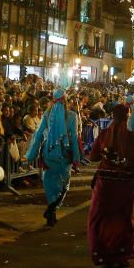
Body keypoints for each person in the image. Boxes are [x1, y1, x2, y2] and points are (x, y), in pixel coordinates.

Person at [87, 104, 134, 268]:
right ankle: (120, 254)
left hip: (104, 183)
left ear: (112, 116)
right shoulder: (133, 137)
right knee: (122, 218)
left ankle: (103, 253)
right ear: (127, 116)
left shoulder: (104, 134)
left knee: (101, 218)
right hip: (125, 184)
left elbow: (93, 157)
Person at [26, 89, 81, 227]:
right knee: (64, 184)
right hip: (64, 155)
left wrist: (32, 154)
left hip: (48, 154)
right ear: (66, 100)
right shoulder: (72, 116)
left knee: (50, 184)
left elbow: (38, 135)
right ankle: (52, 209)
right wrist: (76, 156)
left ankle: (52, 212)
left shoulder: (46, 114)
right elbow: (74, 138)